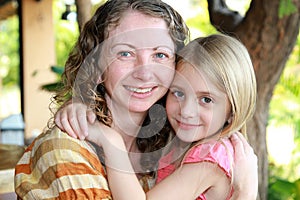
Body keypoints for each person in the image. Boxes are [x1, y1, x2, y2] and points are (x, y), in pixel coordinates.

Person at [14, 0, 257, 199]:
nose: (144, 72)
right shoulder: (65, 150)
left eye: (160, 54)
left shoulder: (167, 147)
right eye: (125, 53)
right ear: (96, 66)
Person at [66, 34, 258, 200]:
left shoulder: (211, 158)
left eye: (206, 99)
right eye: (179, 93)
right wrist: (78, 106)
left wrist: (111, 143)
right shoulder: (184, 140)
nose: (187, 111)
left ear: (233, 110)